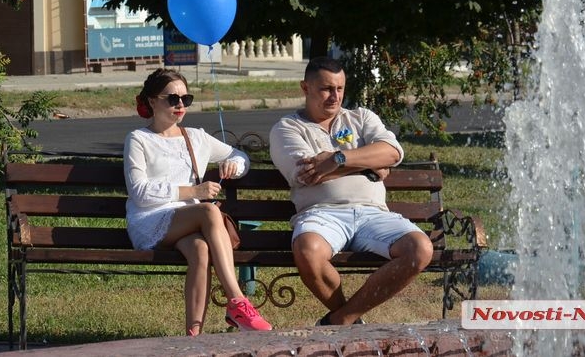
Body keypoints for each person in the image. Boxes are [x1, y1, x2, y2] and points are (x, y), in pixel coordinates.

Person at [269, 56, 433, 326]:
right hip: (322, 215)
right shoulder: (287, 128)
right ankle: (349, 320)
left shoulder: (361, 117)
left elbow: (392, 153)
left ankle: (342, 319)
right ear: (305, 88)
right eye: (326, 89)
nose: (335, 96)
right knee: (308, 250)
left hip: (373, 214)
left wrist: (337, 159)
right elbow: (307, 174)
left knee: (420, 249)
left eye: (340, 88)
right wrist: (369, 165)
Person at [124, 68, 272, 336]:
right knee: (208, 210)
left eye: (186, 99)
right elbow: (139, 193)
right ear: (152, 101)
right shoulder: (139, 139)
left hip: (187, 223)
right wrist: (194, 190)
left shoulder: (196, 137)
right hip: (149, 221)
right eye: (172, 98)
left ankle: (194, 336)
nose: (180, 105)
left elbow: (241, 157)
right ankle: (237, 301)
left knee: (201, 251)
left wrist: (232, 165)